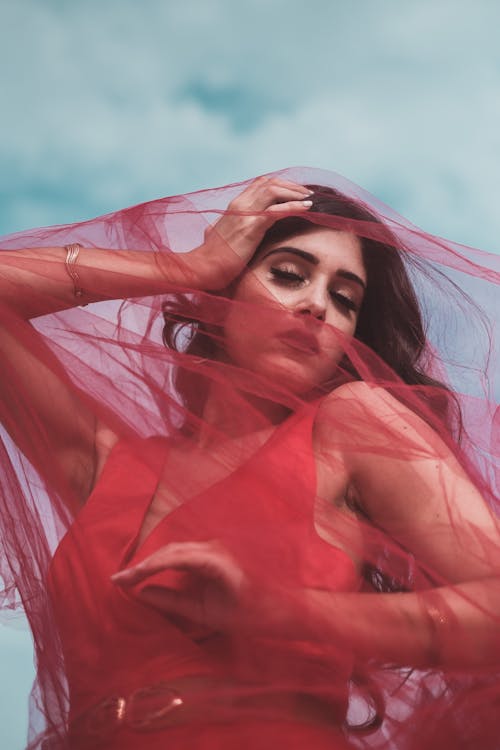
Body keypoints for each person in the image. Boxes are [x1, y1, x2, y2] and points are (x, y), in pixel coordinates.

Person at [0, 169, 499, 750]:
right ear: (224, 293)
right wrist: (188, 266)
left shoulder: (350, 425)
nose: (316, 305)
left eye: (344, 301)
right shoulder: (107, 462)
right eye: (288, 275)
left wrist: (274, 607)